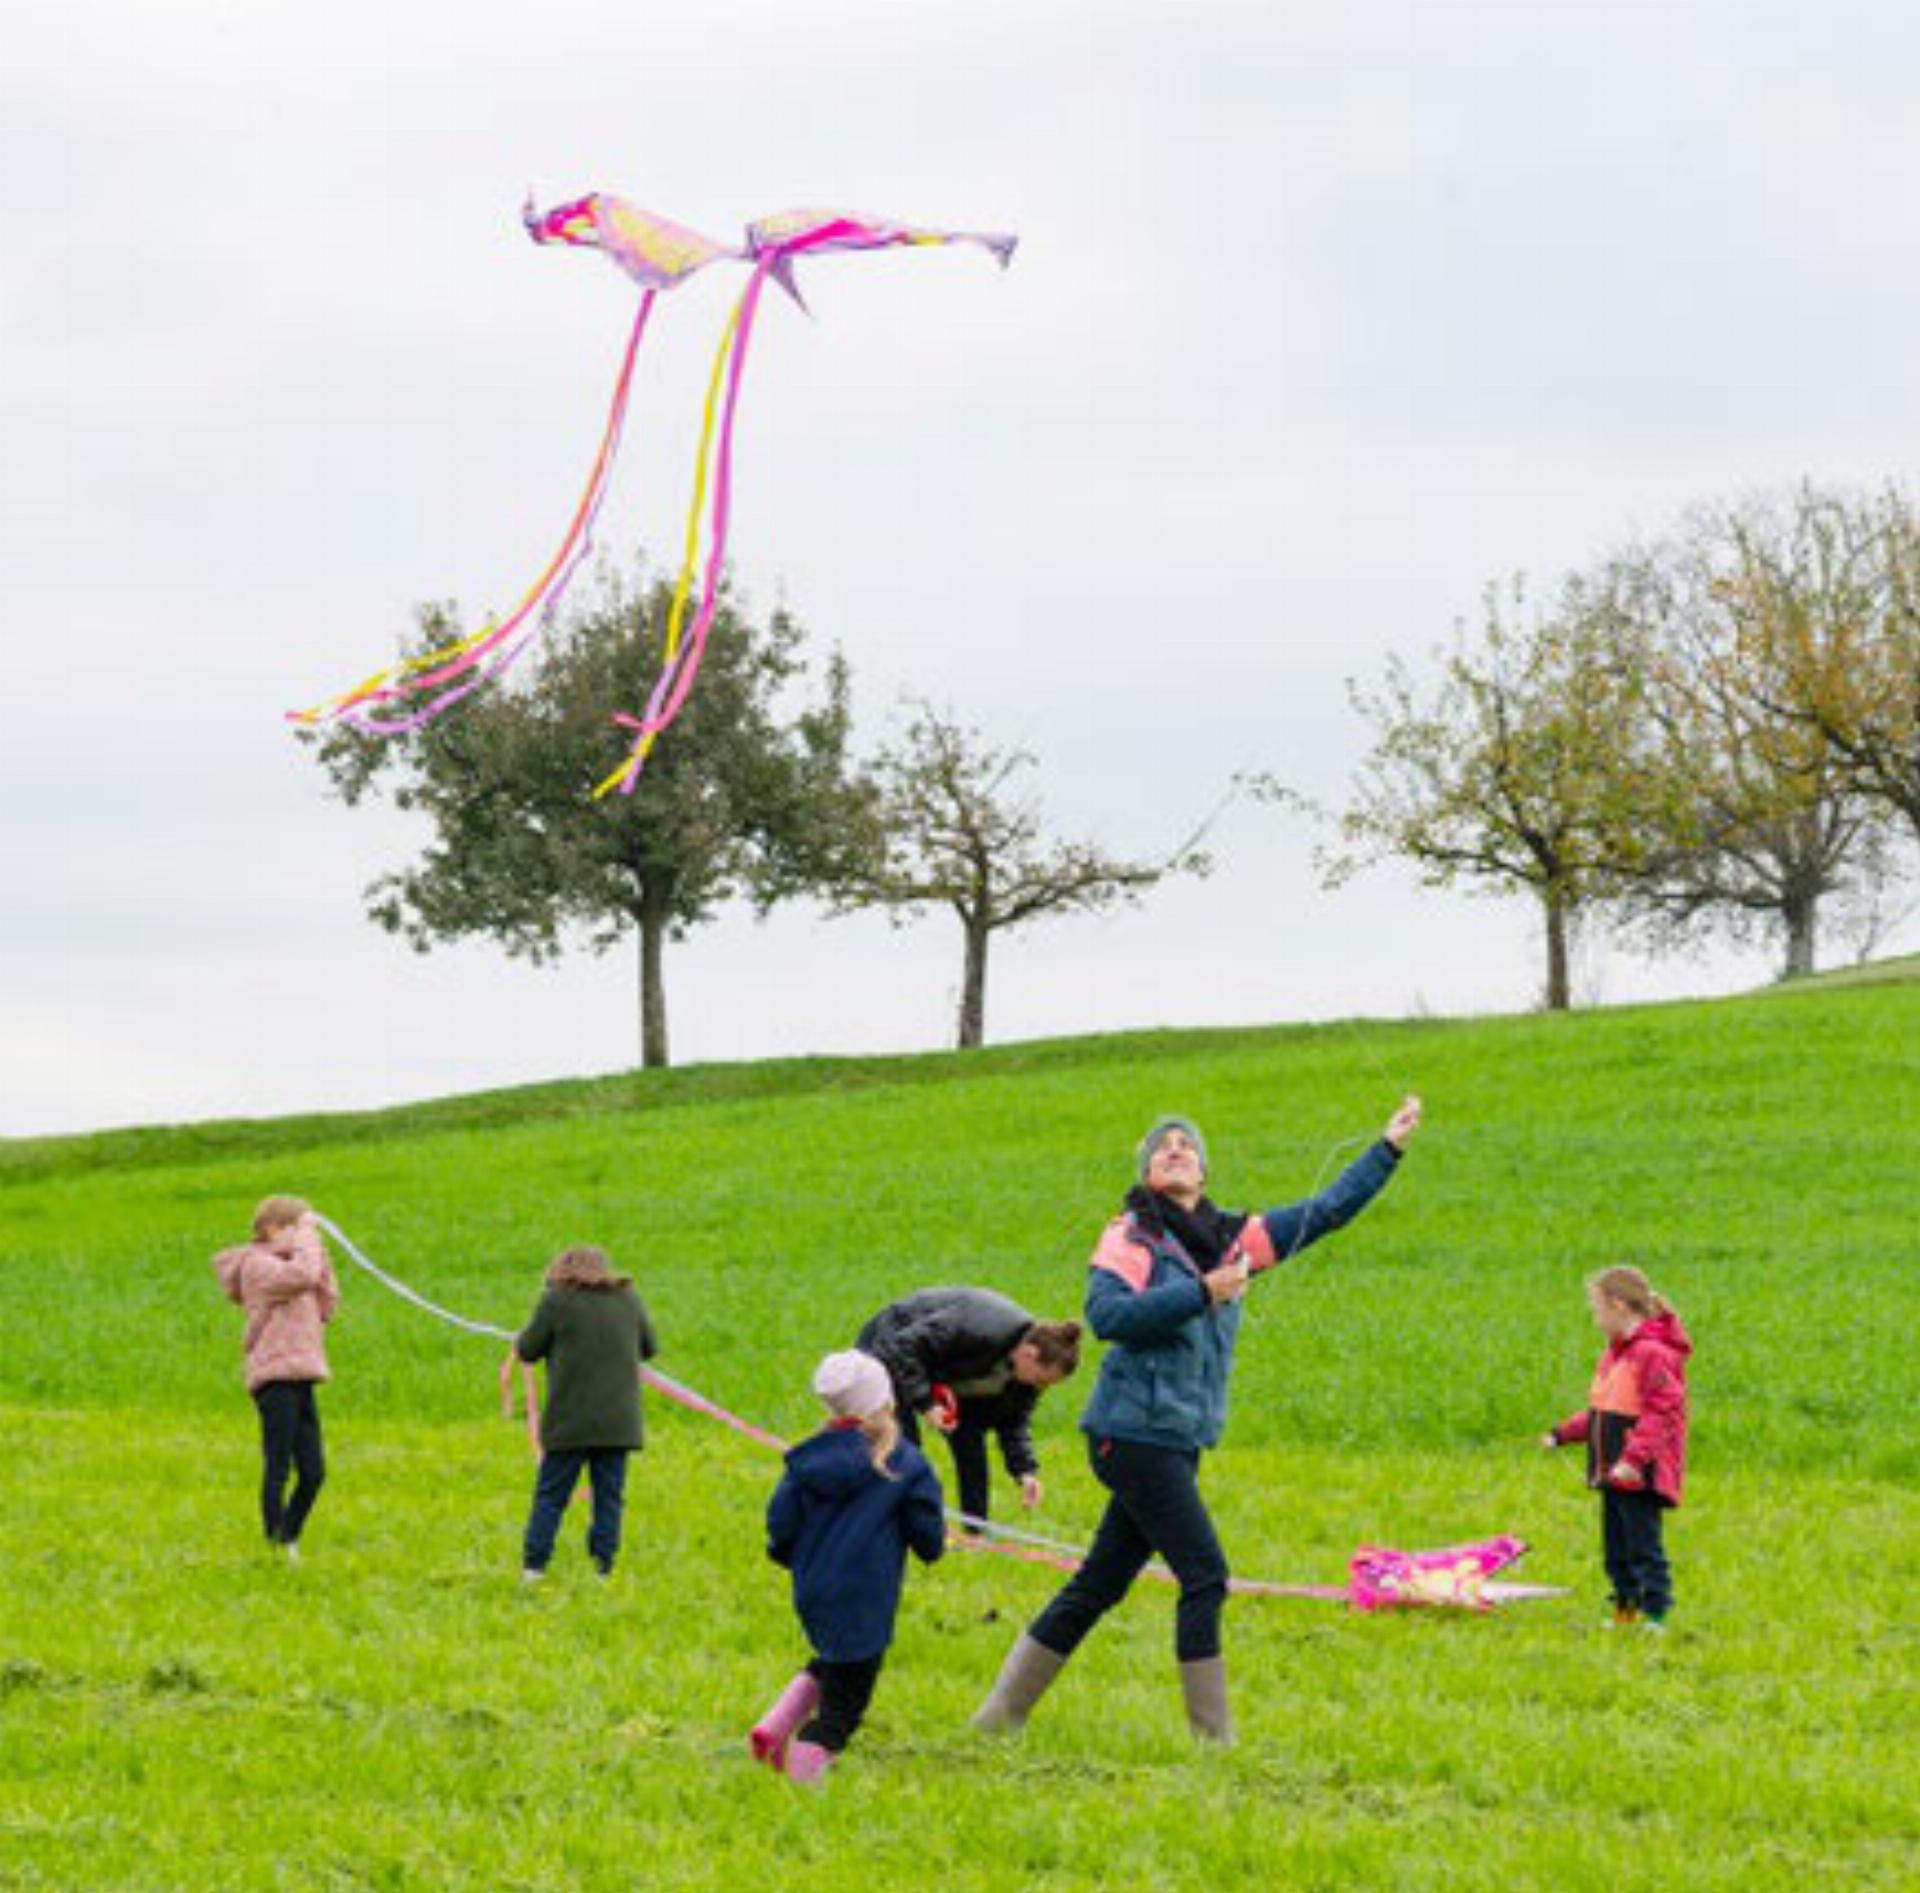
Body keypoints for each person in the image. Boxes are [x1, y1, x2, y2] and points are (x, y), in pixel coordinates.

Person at [973, 1097, 1423, 1744]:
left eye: (1186, 1143)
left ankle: (998, 1717)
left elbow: (1325, 1212)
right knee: (1205, 1574)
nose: (1176, 1148)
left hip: (1174, 1438)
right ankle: (1214, 1742)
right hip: (1130, 1433)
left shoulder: (1237, 1242)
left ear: (1204, 1170)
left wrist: (1387, 1148)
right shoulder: (1131, 1234)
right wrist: (1201, 1292)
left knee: (1099, 1582)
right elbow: (1108, 1317)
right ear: (1151, 1172)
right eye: (1163, 1146)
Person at [749, 1350, 946, 1782]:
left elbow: (780, 1521)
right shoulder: (906, 1463)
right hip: (866, 1595)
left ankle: (775, 1726)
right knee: (846, 1702)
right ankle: (808, 1769)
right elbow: (927, 1533)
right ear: (886, 1400)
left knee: (833, 1660)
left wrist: (789, 1555)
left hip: (814, 1587)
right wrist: (933, 1543)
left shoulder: (808, 1460)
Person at [1541, 1264, 1691, 1633]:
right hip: (1612, 1473)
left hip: (1638, 1474)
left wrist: (1634, 1460)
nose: (1596, 1319)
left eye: (1597, 1310)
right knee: (1617, 1553)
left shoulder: (1652, 1354)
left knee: (1643, 1549)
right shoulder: (1615, 1356)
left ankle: (1655, 1615)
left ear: (1619, 1306)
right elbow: (1601, 1413)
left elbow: (1663, 1412)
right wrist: (1561, 1434)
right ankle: (1625, 1612)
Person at [855, 1288, 1082, 1529]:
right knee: (903, 1445)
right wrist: (926, 1403)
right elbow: (903, 1347)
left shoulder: (1026, 1373)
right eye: (1041, 1380)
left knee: (970, 1436)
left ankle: (975, 1531)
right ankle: (891, 1522)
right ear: (1029, 1354)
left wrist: (1025, 1472)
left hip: (940, 1368)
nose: (1040, 1388)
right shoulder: (983, 1329)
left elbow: (1013, 1420)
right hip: (889, 1345)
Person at [513, 1245, 659, 1582]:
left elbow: (527, 1350)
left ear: (560, 1270)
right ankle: (603, 1568)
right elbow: (649, 1348)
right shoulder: (628, 1299)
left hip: (569, 1423)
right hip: (617, 1424)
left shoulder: (556, 1301)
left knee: (551, 1496)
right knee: (609, 1498)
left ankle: (534, 1567)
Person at [214, 1195, 341, 1562]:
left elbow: (327, 1302)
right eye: (292, 1228)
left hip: (302, 1375)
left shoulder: (299, 1262)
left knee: (314, 1471)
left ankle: (289, 1534)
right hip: (274, 1377)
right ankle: (275, 1543)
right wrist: (307, 1239)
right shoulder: (257, 1266)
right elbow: (300, 1277)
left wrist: (319, 1252)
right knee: (279, 1465)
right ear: (270, 1229)